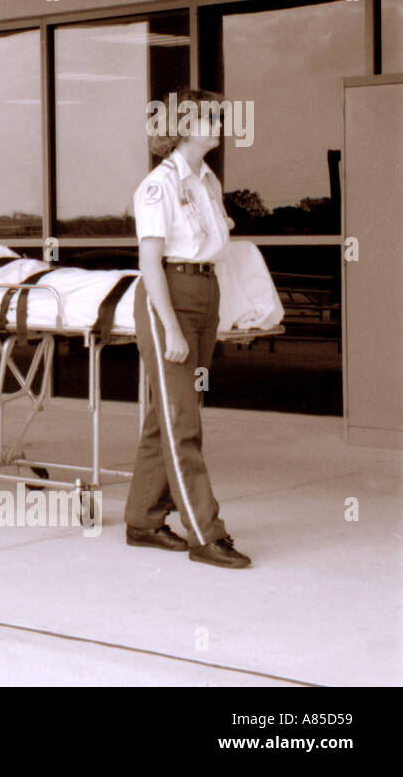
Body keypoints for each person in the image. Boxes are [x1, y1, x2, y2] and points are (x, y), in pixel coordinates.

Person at [128, 88, 251, 568]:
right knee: (184, 423)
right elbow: (150, 265)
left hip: (204, 292)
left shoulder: (207, 179)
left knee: (169, 415)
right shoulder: (157, 185)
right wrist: (171, 329)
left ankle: (142, 519)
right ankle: (206, 533)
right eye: (211, 118)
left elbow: (214, 234)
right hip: (170, 297)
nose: (219, 124)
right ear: (181, 127)